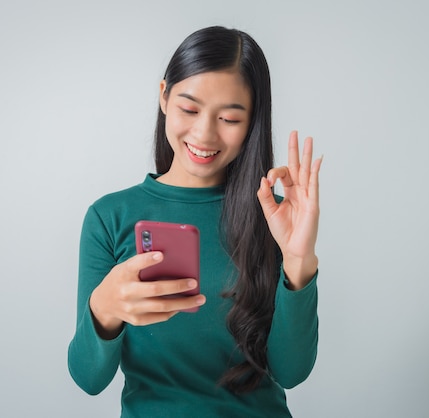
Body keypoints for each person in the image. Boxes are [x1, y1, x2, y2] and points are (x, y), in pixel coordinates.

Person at [68, 26, 323, 417]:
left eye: (230, 118)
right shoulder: (108, 218)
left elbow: (290, 371)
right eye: (190, 108)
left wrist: (298, 262)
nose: (204, 133)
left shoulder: (275, 216)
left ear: (252, 121)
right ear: (164, 96)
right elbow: (89, 378)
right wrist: (104, 306)